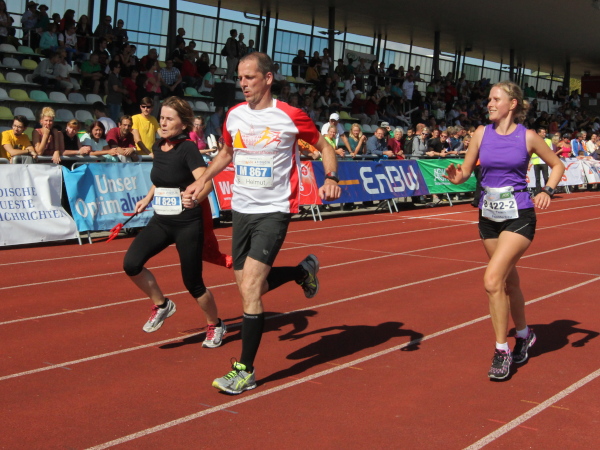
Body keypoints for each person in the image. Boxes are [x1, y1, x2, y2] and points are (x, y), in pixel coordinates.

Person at [184, 52, 341, 394]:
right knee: (246, 288)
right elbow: (226, 153)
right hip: (241, 210)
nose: (243, 84)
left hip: (274, 210)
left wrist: (330, 176)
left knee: (252, 289)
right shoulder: (235, 115)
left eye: (250, 77)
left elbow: (324, 144)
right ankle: (301, 272)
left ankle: (245, 370)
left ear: (268, 78)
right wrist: (202, 181)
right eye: (240, 78)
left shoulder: (290, 115)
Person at [444, 81, 564, 380]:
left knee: (492, 279)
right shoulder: (481, 133)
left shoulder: (529, 136)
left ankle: (501, 351)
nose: (490, 103)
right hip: (488, 216)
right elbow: (465, 172)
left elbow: (558, 165)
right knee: (509, 282)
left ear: (512, 104)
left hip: (519, 215)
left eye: (496, 99)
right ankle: (524, 334)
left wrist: (547, 190)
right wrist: (456, 177)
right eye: (489, 99)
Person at [123, 96, 226, 348]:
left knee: (193, 283)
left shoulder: (188, 149)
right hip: (161, 220)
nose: (163, 123)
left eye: (169, 119)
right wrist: (147, 198)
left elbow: (206, 183)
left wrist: (194, 198)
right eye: (162, 118)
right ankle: (162, 304)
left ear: (183, 124)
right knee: (131, 264)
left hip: (187, 224)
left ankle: (215, 324)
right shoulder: (159, 146)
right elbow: (162, 180)